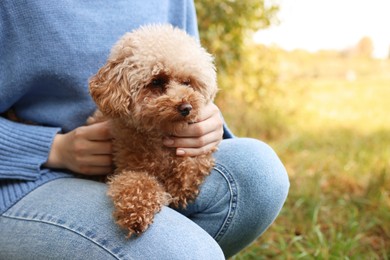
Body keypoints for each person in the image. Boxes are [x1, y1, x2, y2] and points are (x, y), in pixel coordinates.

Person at [0, 1, 290, 259]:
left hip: (158, 146)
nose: (179, 97)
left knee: (260, 172)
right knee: (189, 253)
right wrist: (51, 148)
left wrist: (207, 123)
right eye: (157, 83)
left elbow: (194, 72)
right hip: (29, 178)